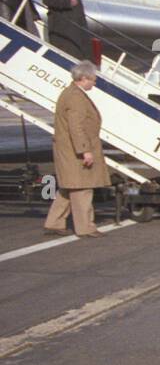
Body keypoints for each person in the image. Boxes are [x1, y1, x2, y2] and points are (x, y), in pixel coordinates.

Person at [42, 60, 108, 238]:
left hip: (67, 149)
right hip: (74, 150)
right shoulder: (76, 97)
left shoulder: (70, 93)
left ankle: (54, 222)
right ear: (84, 78)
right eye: (94, 79)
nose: (95, 82)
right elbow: (76, 127)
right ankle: (85, 227)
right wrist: (85, 150)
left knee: (68, 187)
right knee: (82, 188)